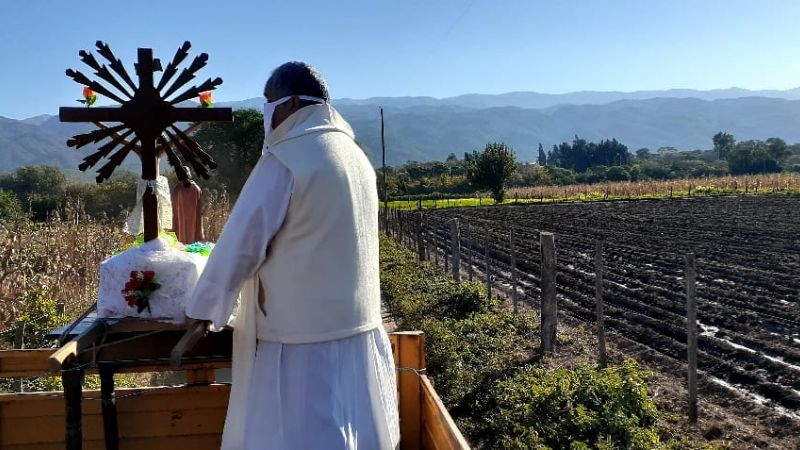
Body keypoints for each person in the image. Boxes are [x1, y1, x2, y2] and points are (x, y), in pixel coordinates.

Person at [186, 61, 400, 450]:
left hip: (300, 342)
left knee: (303, 435)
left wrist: (204, 307)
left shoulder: (288, 158)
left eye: (270, 104)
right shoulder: (356, 158)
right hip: (359, 329)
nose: (269, 115)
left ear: (293, 103)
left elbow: (241, 243)